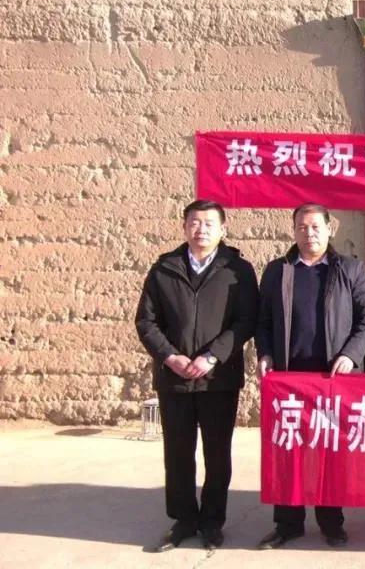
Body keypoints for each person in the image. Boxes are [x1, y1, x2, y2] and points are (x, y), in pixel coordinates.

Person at [135, 200, 258, 552]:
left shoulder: (238, 270)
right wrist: (170, 356)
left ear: (223, 229)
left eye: (208, 223)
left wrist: (212, 355)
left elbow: (246, 320)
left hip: (218, 378)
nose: (201, 229)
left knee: (217, 454)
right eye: (194, 222)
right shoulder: (164, 269)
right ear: (184, 226)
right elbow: (146, 321)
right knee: (178, 453)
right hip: (174, 378)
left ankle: (212, 522)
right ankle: (183, 520)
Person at [254, 203, 365, 550]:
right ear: (294, 230)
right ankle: (287, 524)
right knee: (288, 453)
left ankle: (331, 523)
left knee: (329, 455)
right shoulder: (278, 271)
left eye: (315, 227)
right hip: (288, 380)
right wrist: (265, 353)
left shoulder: (350, 269)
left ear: (329, 229)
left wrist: (350, 355)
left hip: (331, 380)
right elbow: (263, 322)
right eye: (302, 227)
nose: (309, 234)